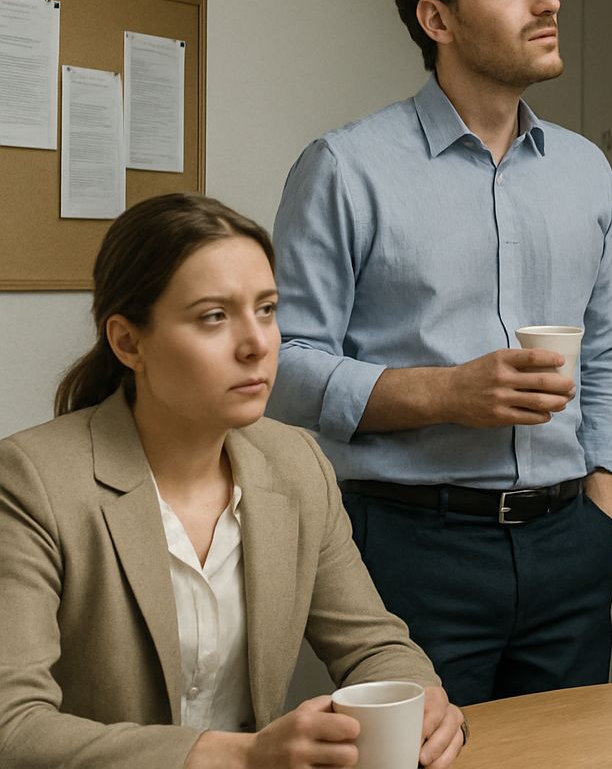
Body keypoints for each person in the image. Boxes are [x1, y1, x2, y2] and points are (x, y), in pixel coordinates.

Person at [267, 0, 612, 706]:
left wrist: (605, 502)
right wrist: (445, 392)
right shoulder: (344, 169)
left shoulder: (586, 170)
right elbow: (280, 368)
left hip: (570, 542)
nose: (548, 1)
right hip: (410, 548)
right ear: (437, 19)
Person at [0, 193, 464, 769]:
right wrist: (240, 756)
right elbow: (12, 727)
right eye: (213, 317)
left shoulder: (296, 462)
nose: (256, 344)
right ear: (128, 342)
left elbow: (374, 644)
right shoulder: (31, 480)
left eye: (266, 308)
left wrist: (421, 699)